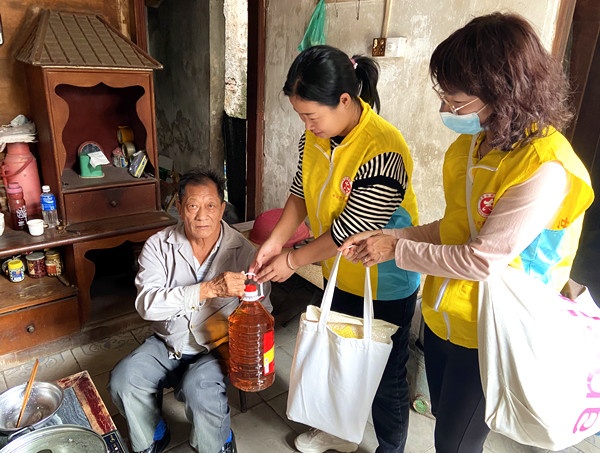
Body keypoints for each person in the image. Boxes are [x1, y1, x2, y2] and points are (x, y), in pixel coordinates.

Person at [341, 12, 595, 453]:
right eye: (445, 97)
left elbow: (481, 259)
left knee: (455, 444)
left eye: (456, 102)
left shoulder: (543, 168)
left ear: (504, 95)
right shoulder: (474, 146)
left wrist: (394, 250)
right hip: (447, 318)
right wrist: (397, 237)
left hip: (494, 332)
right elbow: (455, 228)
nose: (445, 111)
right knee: (446, 423)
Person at [250, 44, 420, 453]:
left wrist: (292, 260)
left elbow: (351, 228)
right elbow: (300, 193)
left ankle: (390, 448)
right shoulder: (315, 137)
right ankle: (336, 430)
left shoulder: (383, 148)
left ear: (345, 100)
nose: (307, 125)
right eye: (301, 116)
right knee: (338, 361)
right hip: (339, 272)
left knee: (385, 375)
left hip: (384, 281)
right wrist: (275, 241)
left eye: (312, 116)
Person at [108, 167, 272, 453]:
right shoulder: (158, 247)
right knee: (124, 380)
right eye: (193, 206)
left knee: (200, 389)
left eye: (211, 206)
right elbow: (147, 304)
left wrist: (243, 352)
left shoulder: (246, 254)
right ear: (180, 207)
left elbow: (263, 313)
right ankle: (153, 435)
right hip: (167, 342)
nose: (202, 215)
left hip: (217, 347)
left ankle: (218, 443)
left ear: (222, 209)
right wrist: (208, 289)